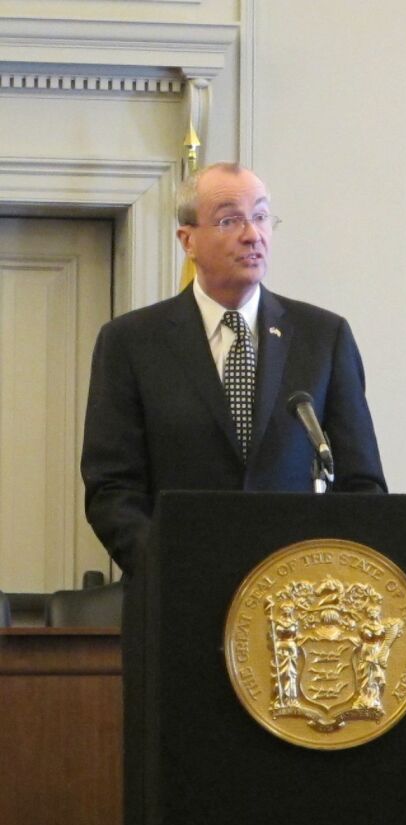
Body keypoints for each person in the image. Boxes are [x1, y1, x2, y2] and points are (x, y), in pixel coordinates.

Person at [81, 161, 386, 577]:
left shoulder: (323, 337)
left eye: (261, 216)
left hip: (301, 602)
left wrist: (327, 571)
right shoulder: (131, 342)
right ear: (187, 240)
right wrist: (170, 566)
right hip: (176, 591)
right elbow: (112, 488)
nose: (252, 234)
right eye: (230, 220)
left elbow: (362, 482)